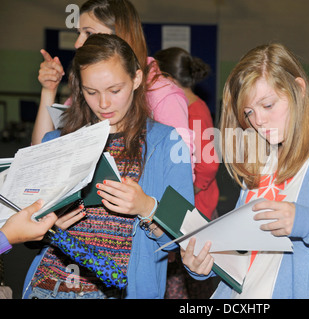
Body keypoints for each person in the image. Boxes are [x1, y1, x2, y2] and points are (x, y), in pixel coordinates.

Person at [181, 43, 309, 299]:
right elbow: (245, 256)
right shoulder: (263, 155)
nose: (258, 121)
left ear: (299, 90)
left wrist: (307, 222)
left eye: (268, 105)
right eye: (249, 113)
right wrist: (206, 262)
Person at [22, 34, 194, 299]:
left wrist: (147, 208)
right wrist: (45, 229)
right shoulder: (58, 141)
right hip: (49, 287)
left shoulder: (167, 143)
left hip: (119, 290)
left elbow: (185, 236)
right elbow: (25, 234)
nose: (103, 103)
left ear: (136, 79)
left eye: (115, 90)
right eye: (92, 92)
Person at [32, 0, 194, 178]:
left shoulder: (164, 94)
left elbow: (180, 172)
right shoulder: (88, 86)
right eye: (78, 33)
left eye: (89, 33)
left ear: (120, 36)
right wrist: (49, 91)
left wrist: (144, 203)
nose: (78, 43)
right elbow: (40, 157)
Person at [154, 47, 220, 299]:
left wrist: (183, 189)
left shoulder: (194, 110)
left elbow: (209, 165)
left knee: (192, 281)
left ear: (168, 79)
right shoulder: (188, 106)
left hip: (197, 208)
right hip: (194, 206)